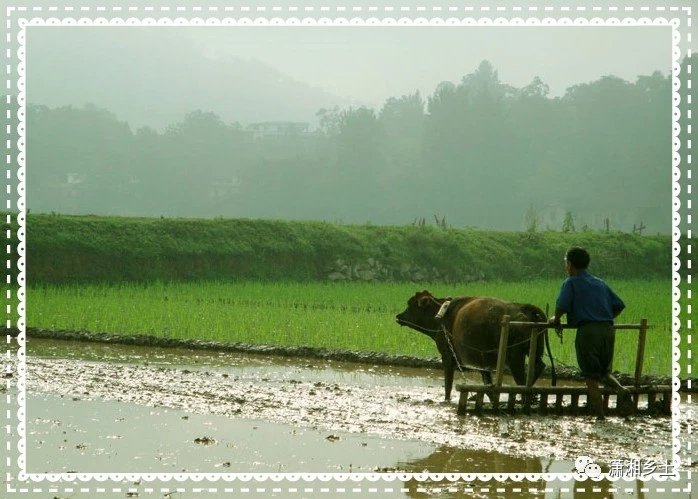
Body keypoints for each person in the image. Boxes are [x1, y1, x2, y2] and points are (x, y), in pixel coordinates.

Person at [549, 246, 632, 419]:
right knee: (603, 372)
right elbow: (619, 305)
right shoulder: (599, 282)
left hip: (588, 332)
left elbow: (562, 306)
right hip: (608, 330)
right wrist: (604, 317)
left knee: (591, 378)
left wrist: (555, 320)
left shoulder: (571, 282)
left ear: (570, 265)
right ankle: (621, 389)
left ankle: (601, 417)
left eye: (566, 263)